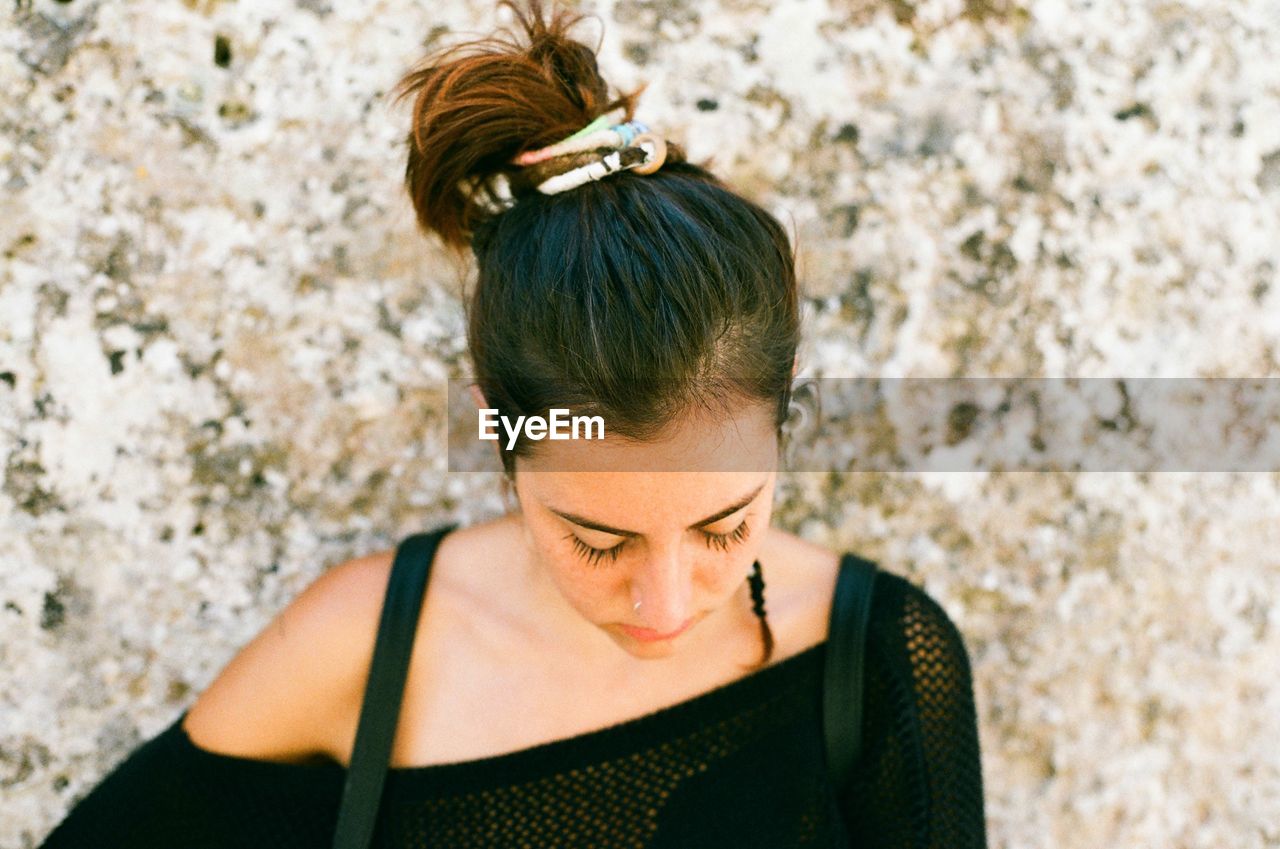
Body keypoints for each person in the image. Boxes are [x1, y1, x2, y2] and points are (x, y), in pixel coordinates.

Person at [37, 1, 986, 846]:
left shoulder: (874, 663)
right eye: (598, 539)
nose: (668, 604)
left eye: (723, 526)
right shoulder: (364, 655)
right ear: (500, 432)